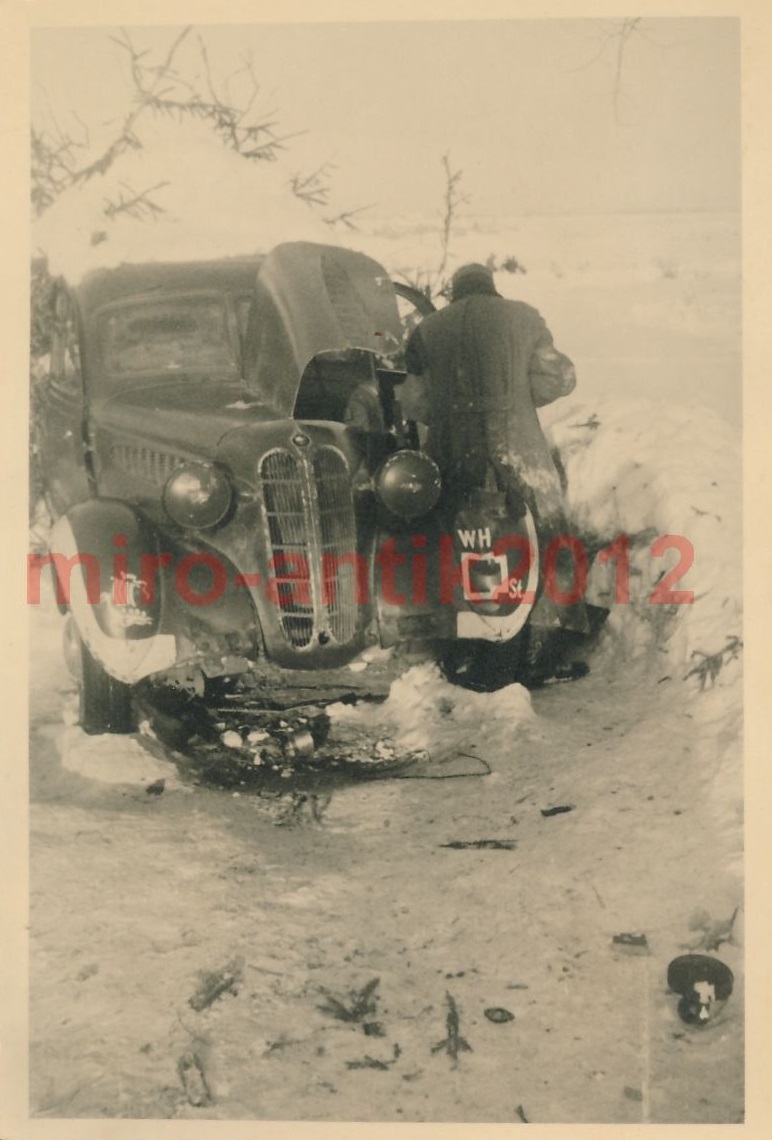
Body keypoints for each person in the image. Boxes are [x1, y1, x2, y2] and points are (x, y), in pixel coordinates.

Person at [400, 262, 590, 678]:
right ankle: (546, 644)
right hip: (518, 446)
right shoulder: (525, 317)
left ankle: (461, 647)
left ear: (453, 293)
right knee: (545, 530)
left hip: (453, 450)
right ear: (492, 288)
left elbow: (415, 401)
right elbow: (559, 378)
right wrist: (518, 396)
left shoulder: (428, 330)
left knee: (451, 537)